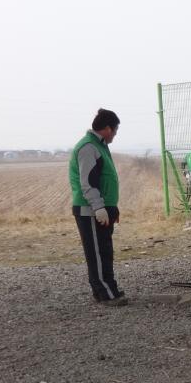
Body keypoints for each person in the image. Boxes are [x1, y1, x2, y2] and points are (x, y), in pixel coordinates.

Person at [69, 108, 127, 306]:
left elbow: (104, 180)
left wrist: (112, 208)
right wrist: (99, 208)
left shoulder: (99, 145)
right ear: (108, 128)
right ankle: (104, 294)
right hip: (90, 211)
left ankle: (109, 288)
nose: (115, 135)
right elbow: (88, 183)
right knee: (97, 253)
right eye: (115, 130)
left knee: (105, 250)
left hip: (101, 208)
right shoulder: (88, 147)